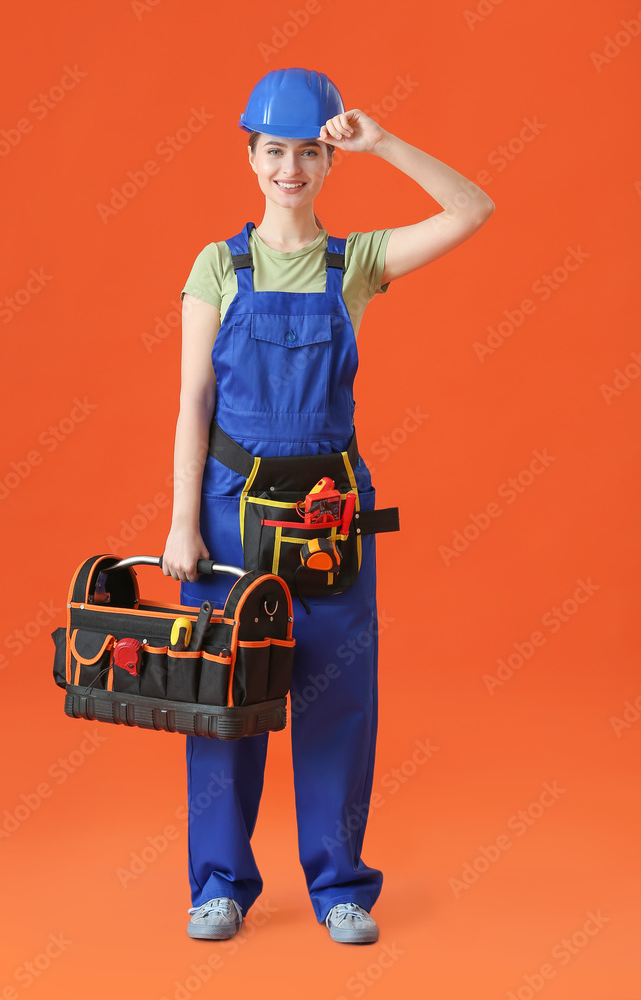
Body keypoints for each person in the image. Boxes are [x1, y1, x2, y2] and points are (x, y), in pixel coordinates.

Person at [162, 67, 495, 944]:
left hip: (327, 514)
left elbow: (472, 210)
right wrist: (180, 522)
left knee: (339, 699)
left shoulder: (356, 265)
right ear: (251, 156)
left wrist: (382, 141)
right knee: (224, 697)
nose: (290, 168)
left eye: (309, 151)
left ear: (327, 159)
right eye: (275, 150)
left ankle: (339, 886)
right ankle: (220, 885)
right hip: (231, 510)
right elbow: (194, 401)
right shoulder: (217, 265)